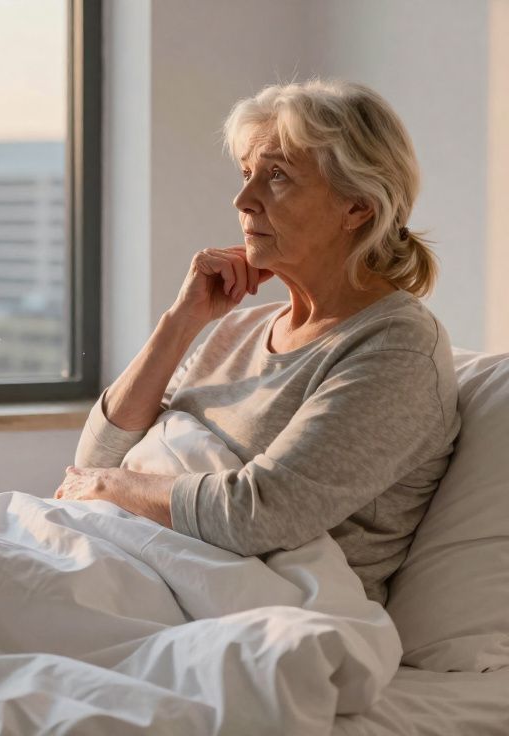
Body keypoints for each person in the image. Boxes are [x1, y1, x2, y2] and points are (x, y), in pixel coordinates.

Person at [58, 79, 461, 605]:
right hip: (122, 557)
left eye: (277, 177)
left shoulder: (396, 350)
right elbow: (97, 455)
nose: (243, 199)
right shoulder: (237, 329)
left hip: (225, 603)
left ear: (358, 206)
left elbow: (261, 514)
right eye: (247, 173)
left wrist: (111, 488)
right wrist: (182, 320)